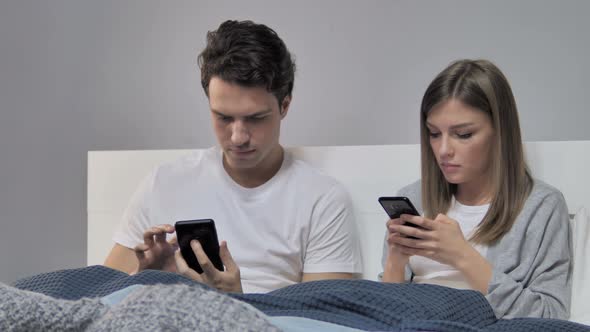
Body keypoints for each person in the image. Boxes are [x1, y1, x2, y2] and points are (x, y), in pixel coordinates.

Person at [103, 20, 362, 293]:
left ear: (284, 105)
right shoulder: (163, 183)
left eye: (255, 118)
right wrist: (143, 278)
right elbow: (102, 294)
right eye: (223, 117)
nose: (238, 137)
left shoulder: (322, 199)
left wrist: (236, 302)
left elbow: (324, 315)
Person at [381, 59, 572, 319]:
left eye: (464, 134)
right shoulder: (415, 196)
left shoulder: (541, 206)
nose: (444, 150)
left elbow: (552, 318)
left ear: (499, 132)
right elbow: (383, 312)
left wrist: (462, 256)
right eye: (434, 133)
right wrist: (396, 261)